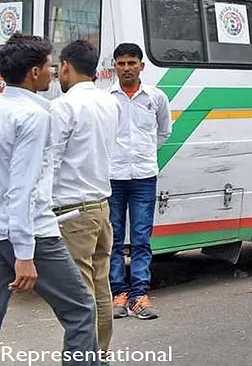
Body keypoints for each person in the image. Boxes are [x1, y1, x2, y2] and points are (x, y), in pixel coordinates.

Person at [0, 34, 100, 366]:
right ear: (33, 72)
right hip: (31, 232)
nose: (53, 72)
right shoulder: (33, 117)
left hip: (3, 230)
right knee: (81, 311)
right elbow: (22, 189)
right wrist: (25, 254)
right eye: (48, 66)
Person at [51, 40, 120, 355]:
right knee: (100, 290)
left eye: (58, 69)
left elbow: (50, 161)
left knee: (81, 298)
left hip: (73, 213)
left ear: (66, 65)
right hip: (101, 207)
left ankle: (84, 358)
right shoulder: (110, 102)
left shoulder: (64, 106)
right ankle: (100, 354)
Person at [108, 44, 170, 321]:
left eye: (132, 63)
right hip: (113, 176)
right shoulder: (106, 99)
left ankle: (140, 296)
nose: (126, 68)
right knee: (114, 238)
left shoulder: (155, 97)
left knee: (142, 238)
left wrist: (144, 153)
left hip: (145, 175)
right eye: (121, 64)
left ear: (142, 66)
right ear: (114, 67)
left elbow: (164, 132)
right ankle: (119, 293)